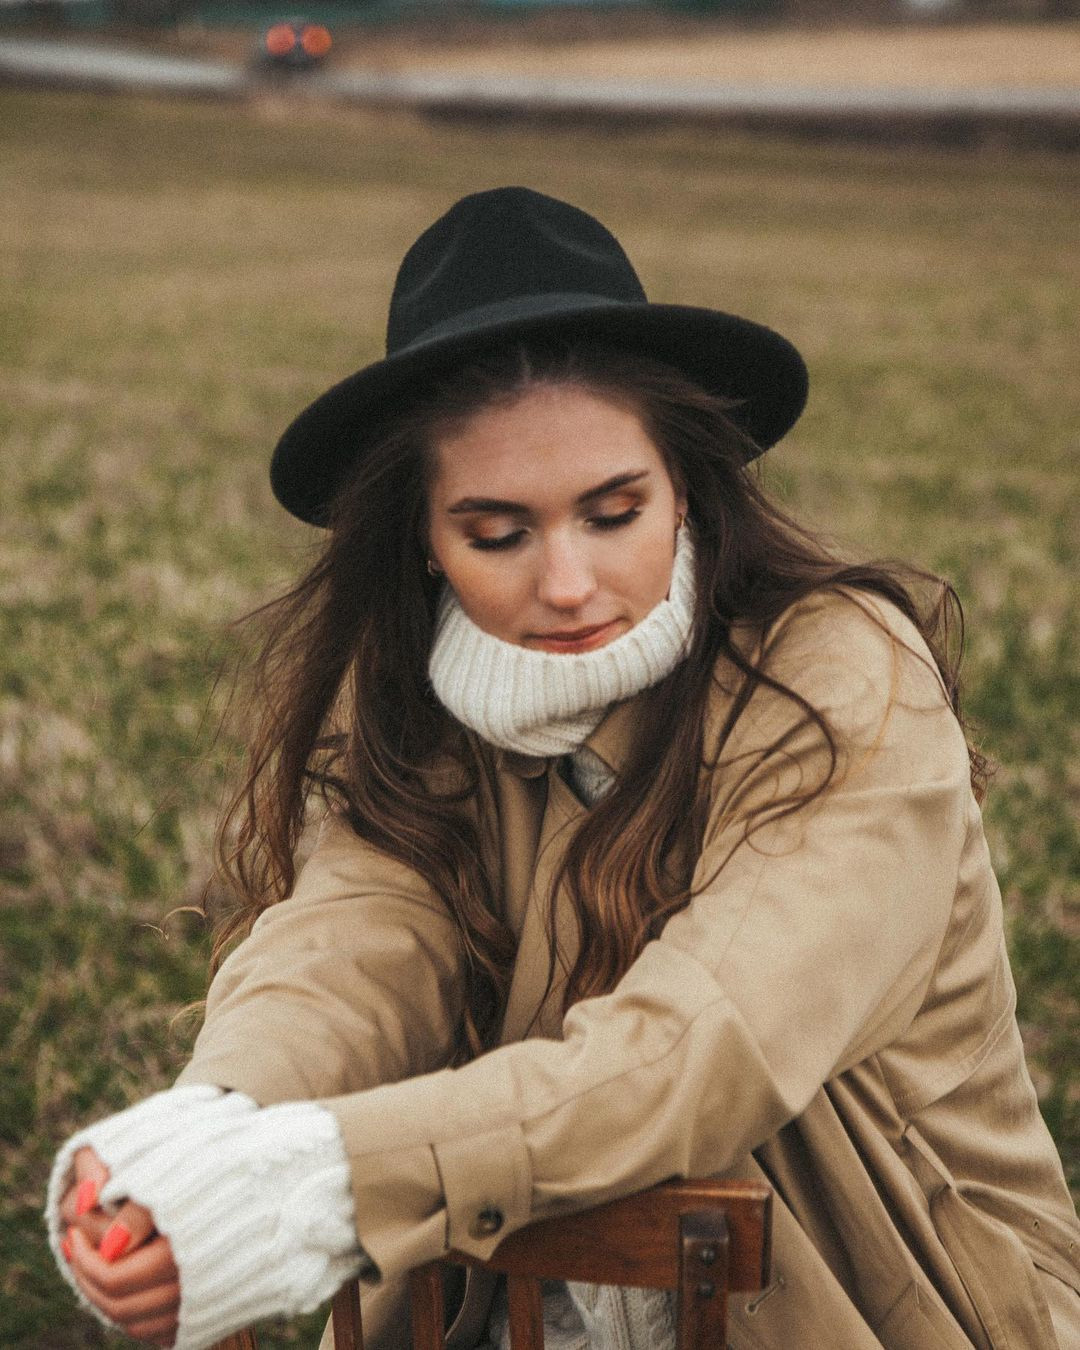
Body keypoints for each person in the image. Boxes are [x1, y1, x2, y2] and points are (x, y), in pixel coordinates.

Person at [48, 187, 1079, 1350]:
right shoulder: (428, 709)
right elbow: (348, 951)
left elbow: (713, 1041)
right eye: (498, 534)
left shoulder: (841, 675)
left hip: (872, 1300)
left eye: (614, 513)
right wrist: (209, 1130)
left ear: (685, 484)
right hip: (527, 1295)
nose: (570, 585)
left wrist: (319, 1182)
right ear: (425, 540)